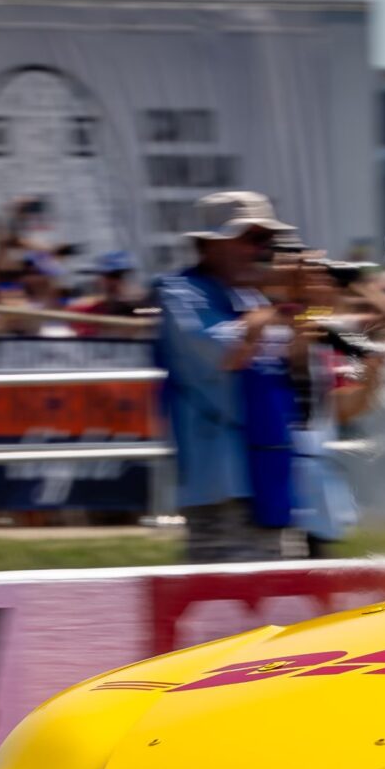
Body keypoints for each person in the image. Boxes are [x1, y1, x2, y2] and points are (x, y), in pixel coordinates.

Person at [152, 191, 300, 563]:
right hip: (221, 486)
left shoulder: (254, 299)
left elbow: (298, 361)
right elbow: (228, 354)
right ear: (210, 244)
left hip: (271, 480)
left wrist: (311, 303)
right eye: (252, 238)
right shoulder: (179, 293)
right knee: (226, 596)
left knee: (278, 593)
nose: (262, 250)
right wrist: (281, 304)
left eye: (267, 239)